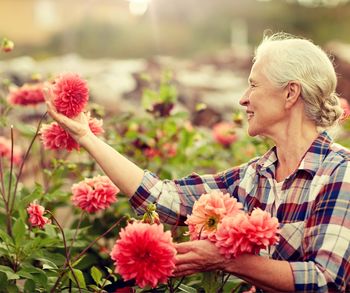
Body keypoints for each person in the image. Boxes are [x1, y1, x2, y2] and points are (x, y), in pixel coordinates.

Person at [45, 32, 350, 292]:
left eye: (254, 85)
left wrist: (226, 259)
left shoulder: (340, 171)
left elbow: (326, 281)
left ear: (290, 93)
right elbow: (163, 197)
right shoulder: (254, 176)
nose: (243, 98)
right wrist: (86, 136)